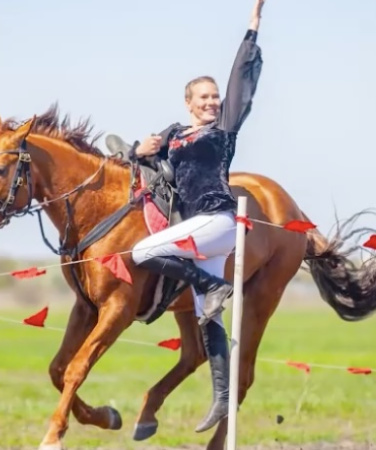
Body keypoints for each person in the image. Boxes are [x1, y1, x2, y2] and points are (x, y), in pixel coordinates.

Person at [105, 0, 265, 433]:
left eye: (215, 97)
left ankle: (213, 284)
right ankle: (222, 400)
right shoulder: (174, 134)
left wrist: (252, 29)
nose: (213, 102)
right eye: (205, 97)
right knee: (207, 318)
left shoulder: (224, 129)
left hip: (217, 223)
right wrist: (134, 149)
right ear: (189, 103)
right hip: (195, 236)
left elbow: (241, 85)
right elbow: (135, 159)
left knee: (141, 250)